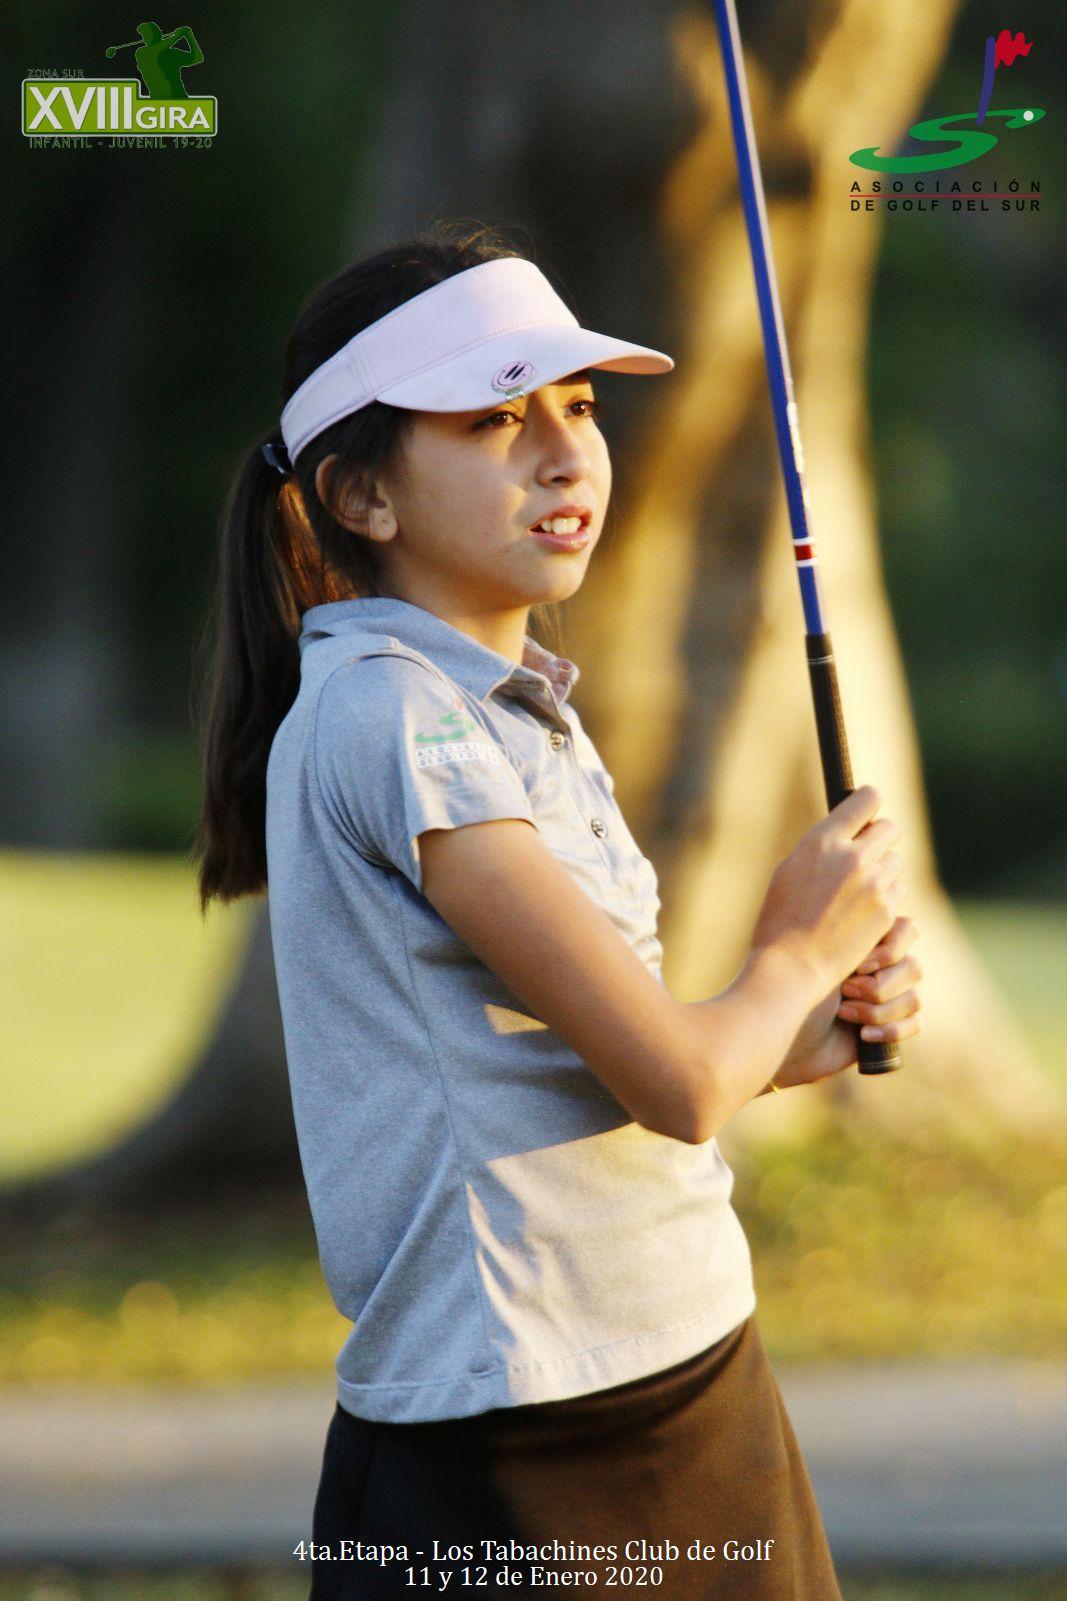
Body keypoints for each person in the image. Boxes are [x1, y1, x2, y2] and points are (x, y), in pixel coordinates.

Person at [192, 221, 920, 1599]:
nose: (565, 450)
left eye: (577, 406)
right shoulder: (396, 717)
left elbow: (607, 1065)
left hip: (685, 1358)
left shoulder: (508, 705)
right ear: (362, 495)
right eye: (494, 418)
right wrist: (791, 952)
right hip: (521, 1440)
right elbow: (678, 1085)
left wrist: (787, 1036)